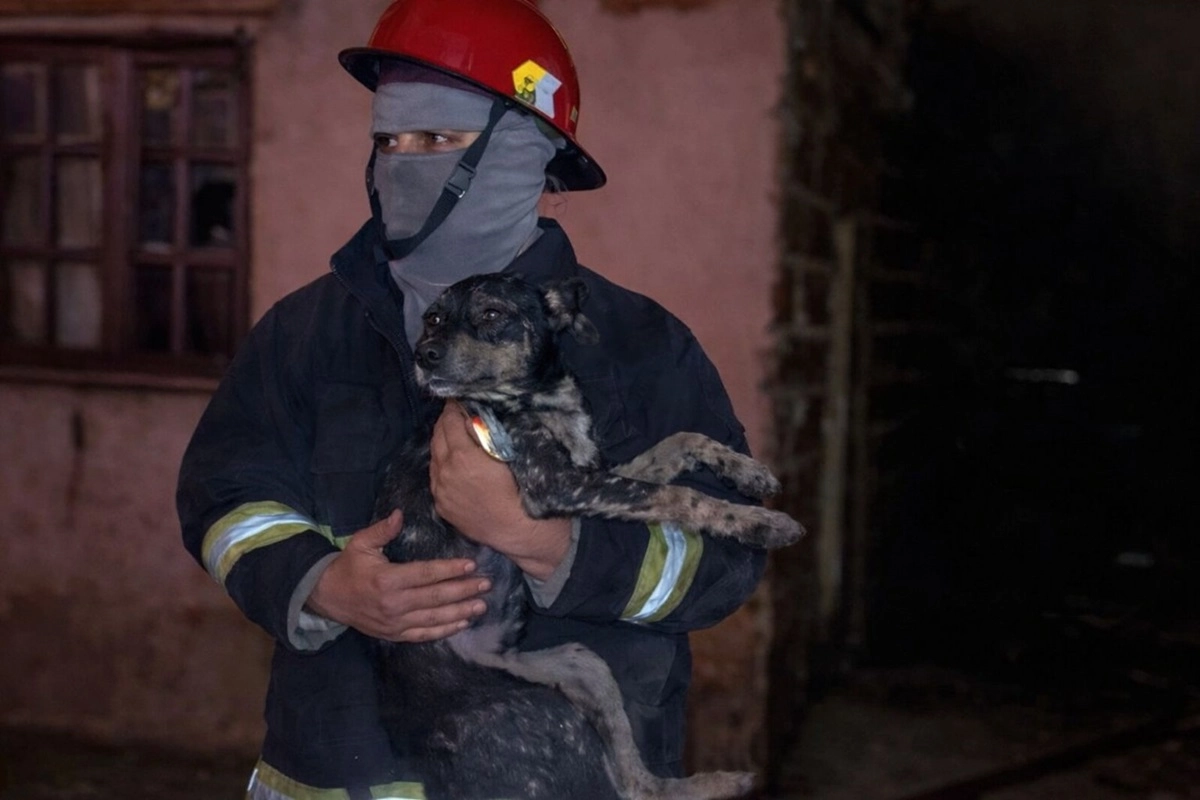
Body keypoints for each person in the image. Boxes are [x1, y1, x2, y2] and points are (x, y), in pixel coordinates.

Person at [176, 1, 767, 797]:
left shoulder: (638, 347)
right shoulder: (307, 331)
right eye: (388, 140)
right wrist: (318, 583)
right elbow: (226, 494)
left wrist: (551, 544)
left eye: (439, 140)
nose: (401, 163)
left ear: (530, 157)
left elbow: (725, 561)